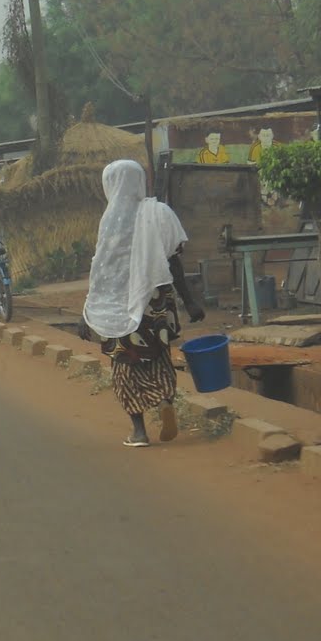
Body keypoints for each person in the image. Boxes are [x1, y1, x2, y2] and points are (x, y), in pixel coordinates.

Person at [78, 158, 205, 448]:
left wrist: (87, 313)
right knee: (158, 357)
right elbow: (175, 261)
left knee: (124, 365)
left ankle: (138, 431)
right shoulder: (159, 213)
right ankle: (163, 400)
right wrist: (190, 301)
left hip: (117, 306)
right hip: (155, 303)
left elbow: (101, 271)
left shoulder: (109, 222)